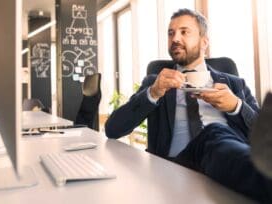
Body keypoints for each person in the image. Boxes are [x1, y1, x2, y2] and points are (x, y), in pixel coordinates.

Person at [105, 8, 272, 203]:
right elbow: (113, 129)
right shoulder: (156, 81)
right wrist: (154, 92)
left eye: (184, 32)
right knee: (214, 133)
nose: (175, 38)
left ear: (204, 42)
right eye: (171, 33)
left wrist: (236, 105)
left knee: (219, 136)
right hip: (178, 165)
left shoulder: (234, 83)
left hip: (230, 164)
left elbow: (262, 137)